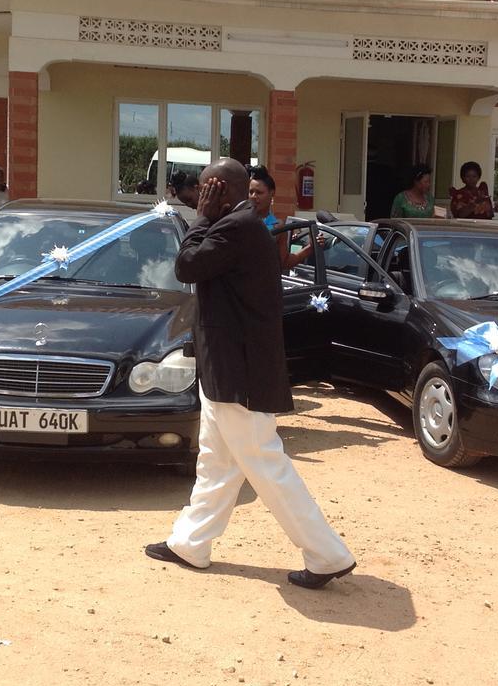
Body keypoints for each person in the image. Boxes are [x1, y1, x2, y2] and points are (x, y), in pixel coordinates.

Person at [145, 158, 356, 589]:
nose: (195, 198)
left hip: (237, 371)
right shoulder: (244, 226)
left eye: (203, 191)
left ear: (219, 190)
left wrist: (201, 218)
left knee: (264, 461)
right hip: (228, 366)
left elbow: (187, 266)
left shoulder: (234, 228)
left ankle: (327, 554)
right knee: (218, 462)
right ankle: (191, 542)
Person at [247, 165, 316, 270]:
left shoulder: (278, 227)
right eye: (251, 192)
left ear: (272, 193)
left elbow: (284, 263)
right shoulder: (239, 220)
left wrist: (310, 247)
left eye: (259, 192)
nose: (253, 196)